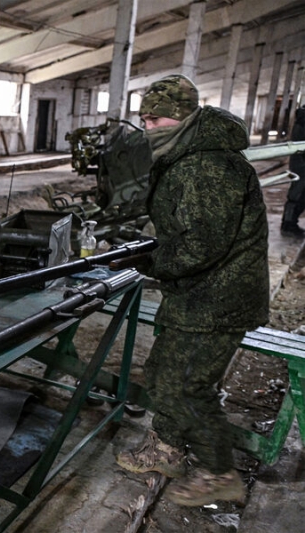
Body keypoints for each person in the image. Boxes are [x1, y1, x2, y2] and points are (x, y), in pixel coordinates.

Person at [116, 74, 269, 507]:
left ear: (184, 118)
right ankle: (165, 450)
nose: (149, 127)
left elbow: (202, 244)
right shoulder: (185, 154)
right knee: (164, 371)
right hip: (197, 294)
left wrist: (149, 262)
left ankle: (220, 473)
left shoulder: (207, 165)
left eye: (158, 119)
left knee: (186, 388)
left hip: (218, 299)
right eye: (145, 118)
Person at [281, 106, 305, 237]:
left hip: (300, 162)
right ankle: (288, 225)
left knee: (300, 195)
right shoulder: (303, 120)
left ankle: (291, 223)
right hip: (301, 163)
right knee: (297, 195)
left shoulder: (302, 118)